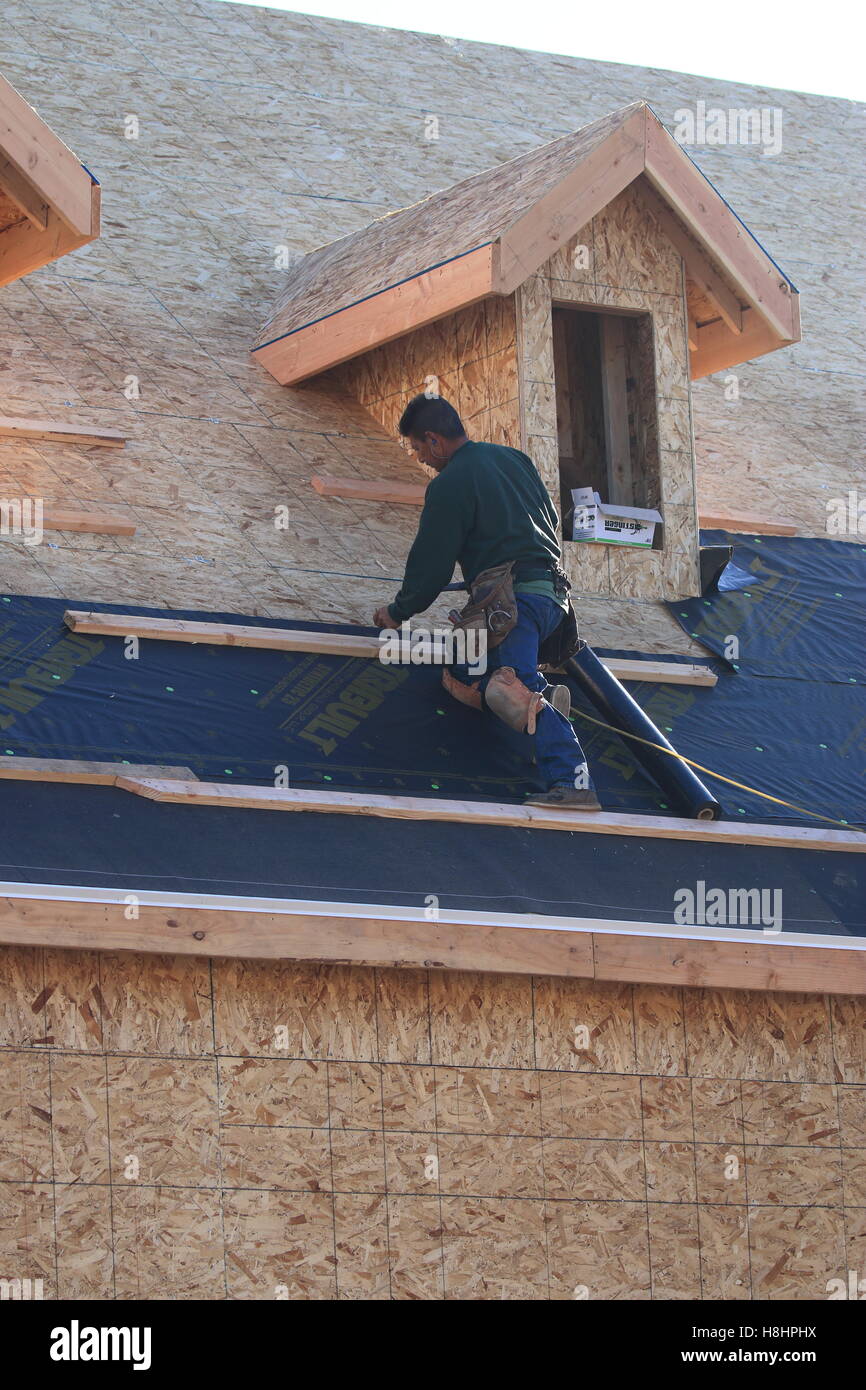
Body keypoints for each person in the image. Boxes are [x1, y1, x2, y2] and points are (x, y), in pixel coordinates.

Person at [372, 394, 600, 809]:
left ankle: (573, 783)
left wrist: (397, 611)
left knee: (512, 688)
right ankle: (547, 703)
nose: (422, 459)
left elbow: (432, 566)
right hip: (554, 600)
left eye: (419, 450)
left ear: (434, 440)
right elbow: (548, 521)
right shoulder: (515, 460)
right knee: (470, 670)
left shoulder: (449, 484)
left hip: (513, 607)